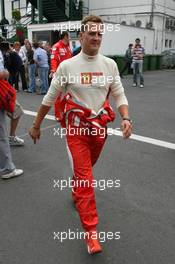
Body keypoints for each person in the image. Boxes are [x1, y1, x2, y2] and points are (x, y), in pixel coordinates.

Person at [29, 15, 132, 254]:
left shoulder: (110, 65)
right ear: (81, 36)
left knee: (86, 169)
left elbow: (119, 93)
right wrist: (35, 125)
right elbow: (49, 100)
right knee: (86, 180)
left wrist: (125, 117)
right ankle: (91, 234)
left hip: (99, 131)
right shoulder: (67, 66)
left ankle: (76, 187)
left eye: (99, 34)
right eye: (91, 33)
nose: (96, 38)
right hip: (76, 131)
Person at [0, 50, 23, 179]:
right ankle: (7, 169)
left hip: (4, 89)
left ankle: (12, 137)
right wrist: (5, 73)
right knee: (1, 133)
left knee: (17, 111)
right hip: (2, 92)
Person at [50, 31, 72, 118]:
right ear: (65, 36)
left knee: (69, 94)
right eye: (69, 36)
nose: (70, 38)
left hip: (69, 74)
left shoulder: (68, 47)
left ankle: (66, 111)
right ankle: (58, 114)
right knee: (58, 95)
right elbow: (53, 59)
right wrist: (54, 71)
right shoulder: (56, 46)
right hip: (60, 74)